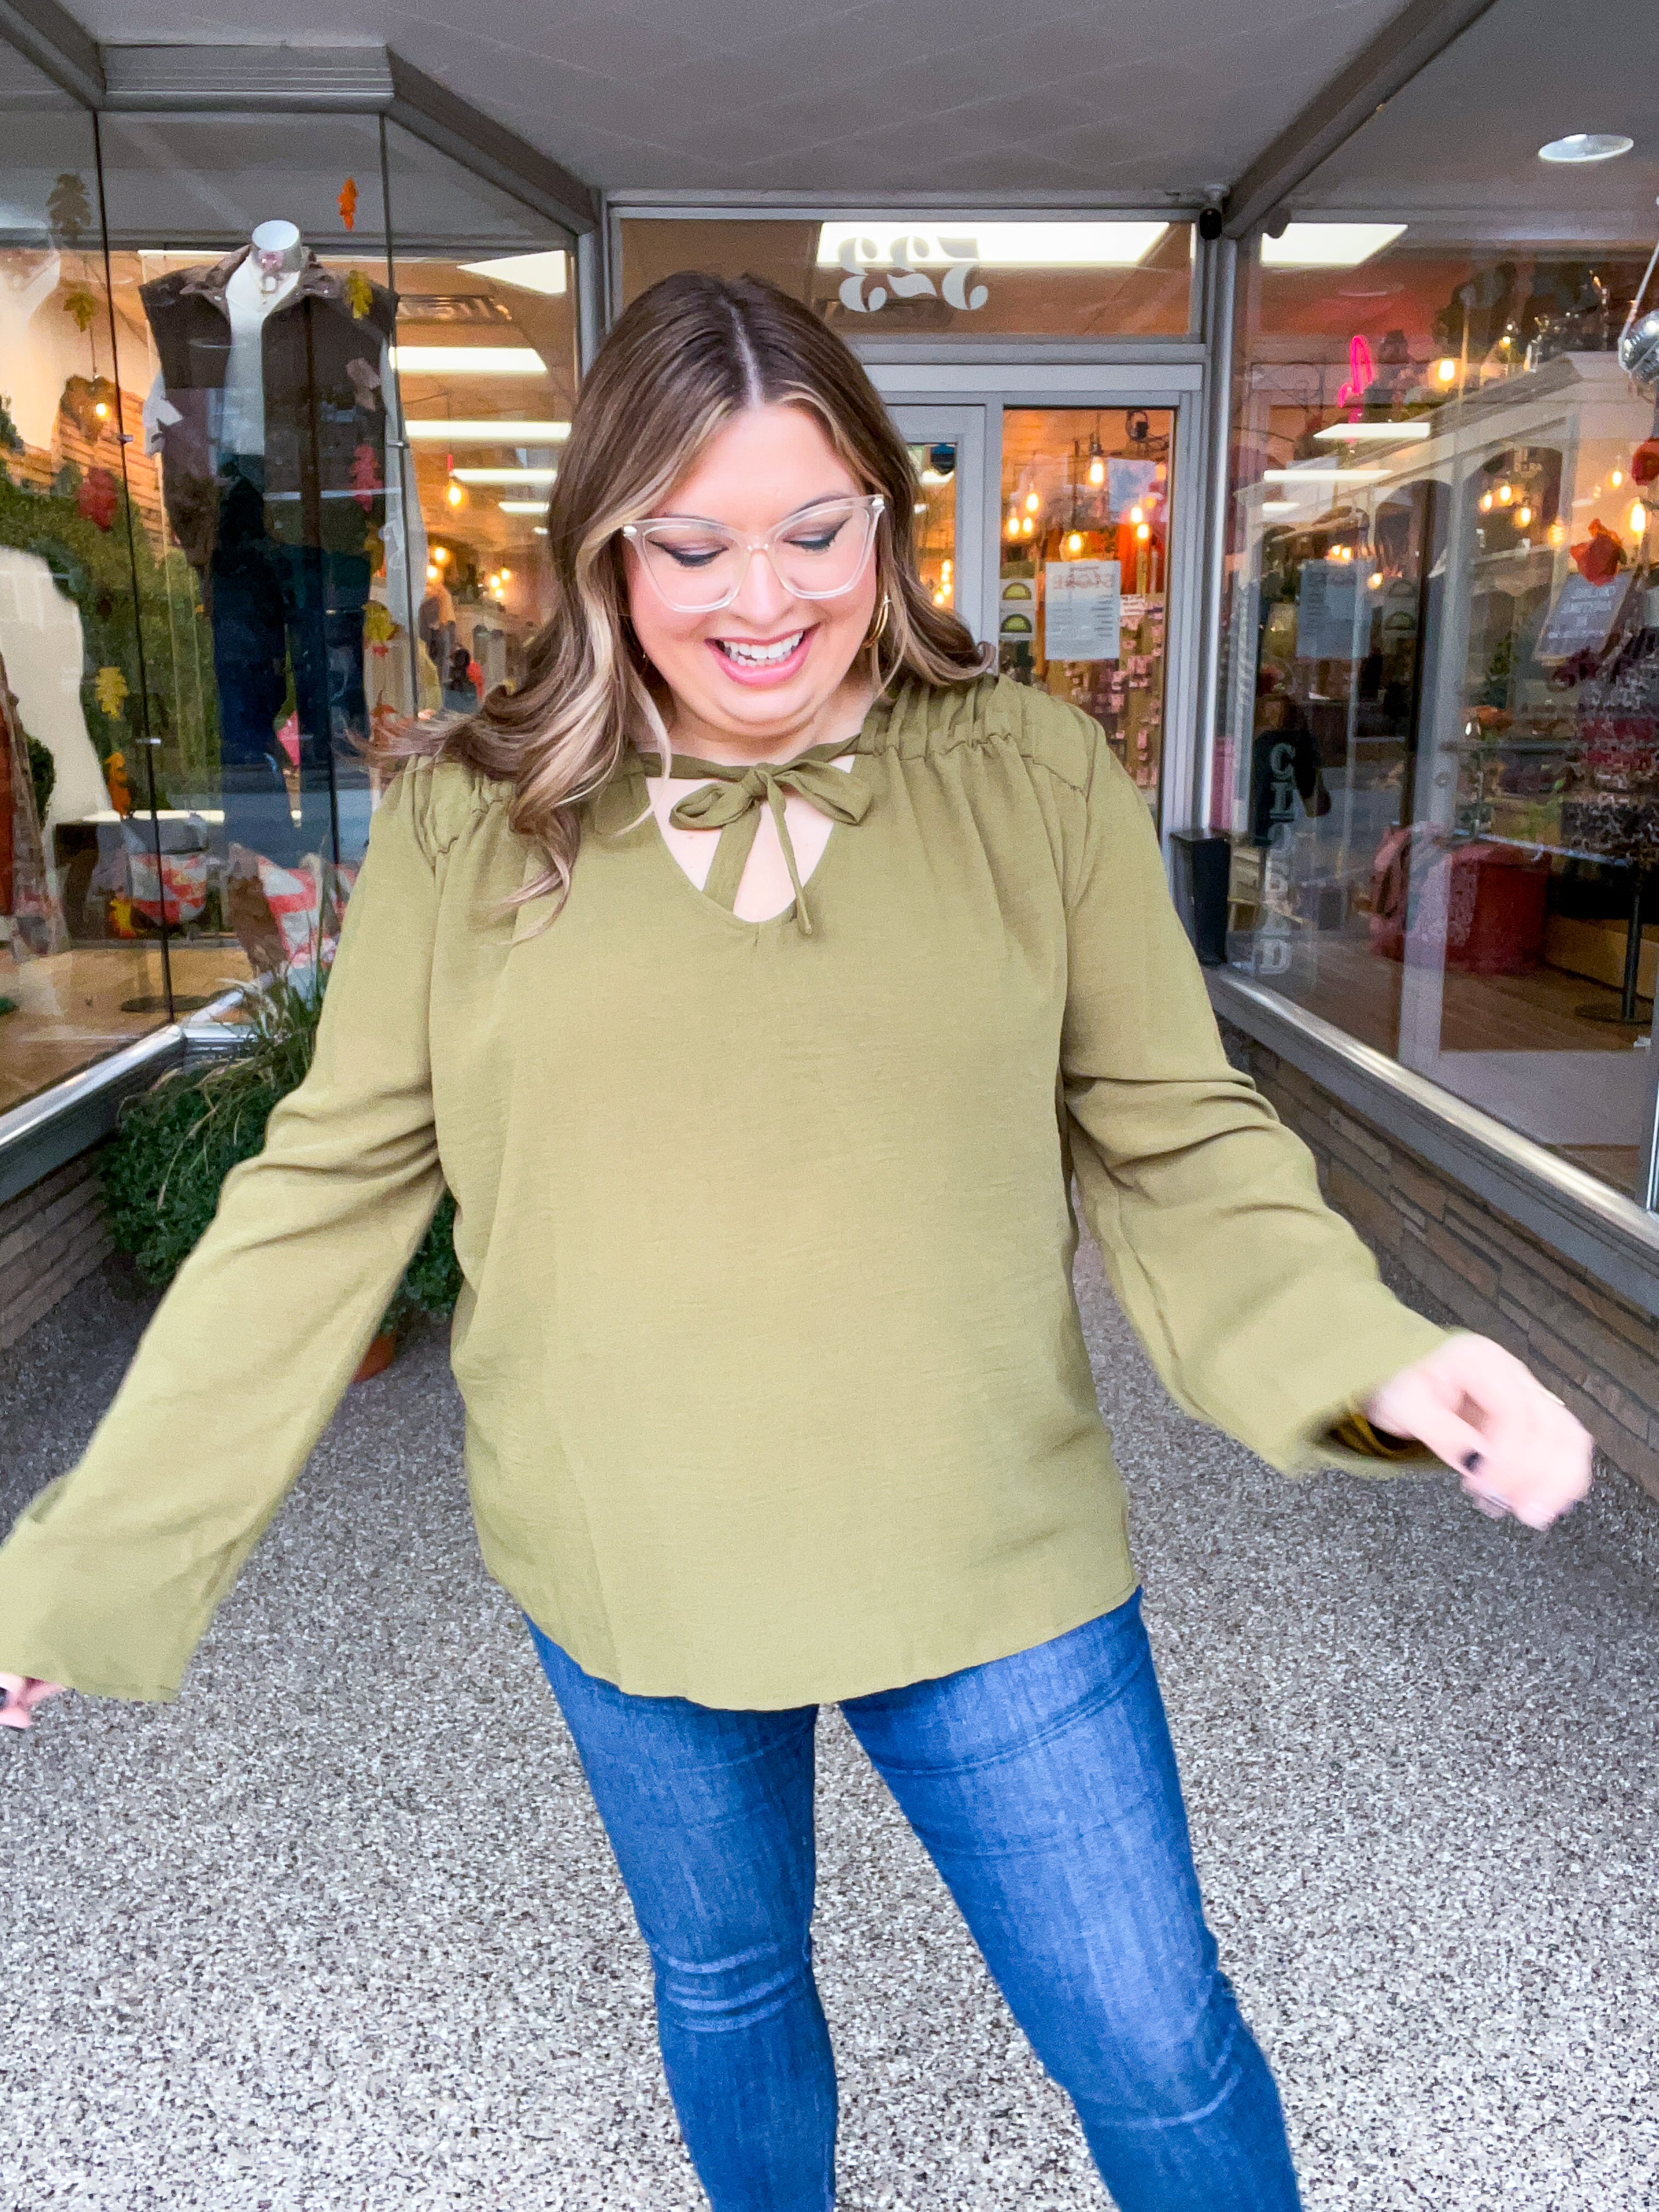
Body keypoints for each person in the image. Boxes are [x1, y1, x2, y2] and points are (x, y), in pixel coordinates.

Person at [0, 274, 1592, 2212]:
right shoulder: (466, 829)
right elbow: (318, 1202)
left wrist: (1377, 1352)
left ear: (885, 517)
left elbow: (1177, 1137)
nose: (762, 602)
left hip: (984, 1549)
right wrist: (83, 1563)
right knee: (733, 1985)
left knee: (1157, 2044)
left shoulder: (1029, 779)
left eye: (816, 530)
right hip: (629, 1548)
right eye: (692, 545)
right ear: (603, 546)